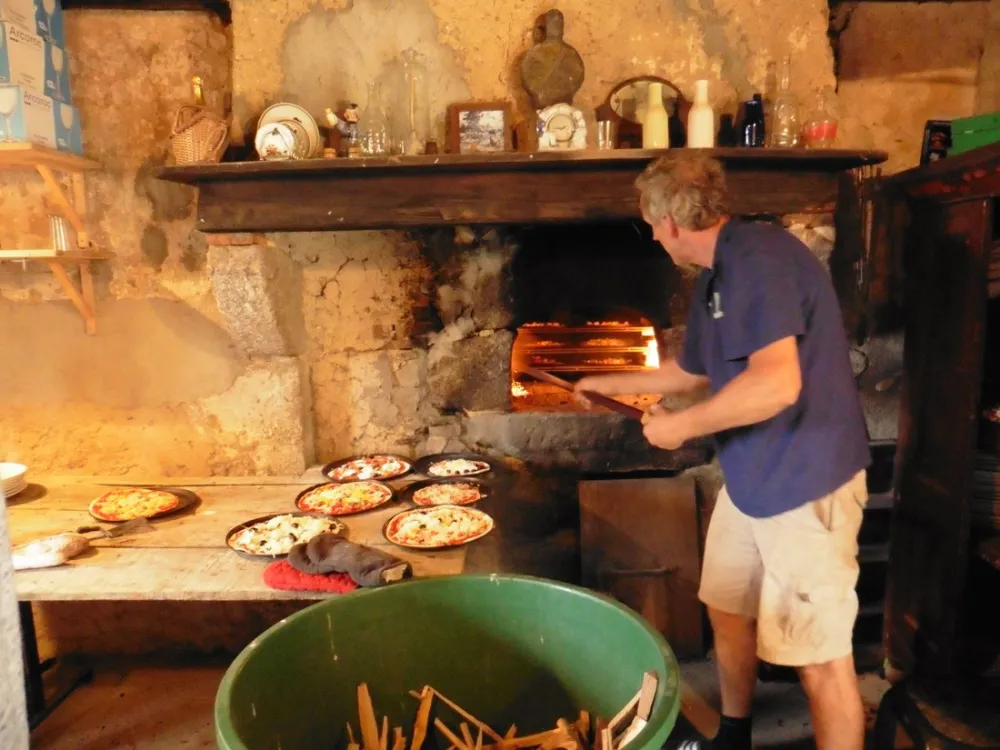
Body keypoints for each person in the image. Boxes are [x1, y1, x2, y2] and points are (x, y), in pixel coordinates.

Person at [575, 153, 871, 750]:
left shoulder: (759, 258)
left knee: (820, 661)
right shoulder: (717, 277)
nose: (654, 236)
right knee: (728, 608)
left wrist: (681, 430)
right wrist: (604, 384)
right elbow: (688, 371)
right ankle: (733, 736)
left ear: (672, 221)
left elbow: (776, 383)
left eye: (652, 224)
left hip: (805, 484)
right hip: (753, 478)